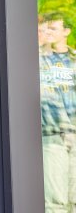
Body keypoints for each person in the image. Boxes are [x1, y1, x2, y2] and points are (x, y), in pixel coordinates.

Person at [39, 12, 76, 212]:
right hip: (53, 135)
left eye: (53, 28)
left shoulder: (74, 59)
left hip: (75, 135)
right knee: (56, 201)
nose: (48, 33)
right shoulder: (39, 59)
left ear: (66, 32)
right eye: (46, 29)